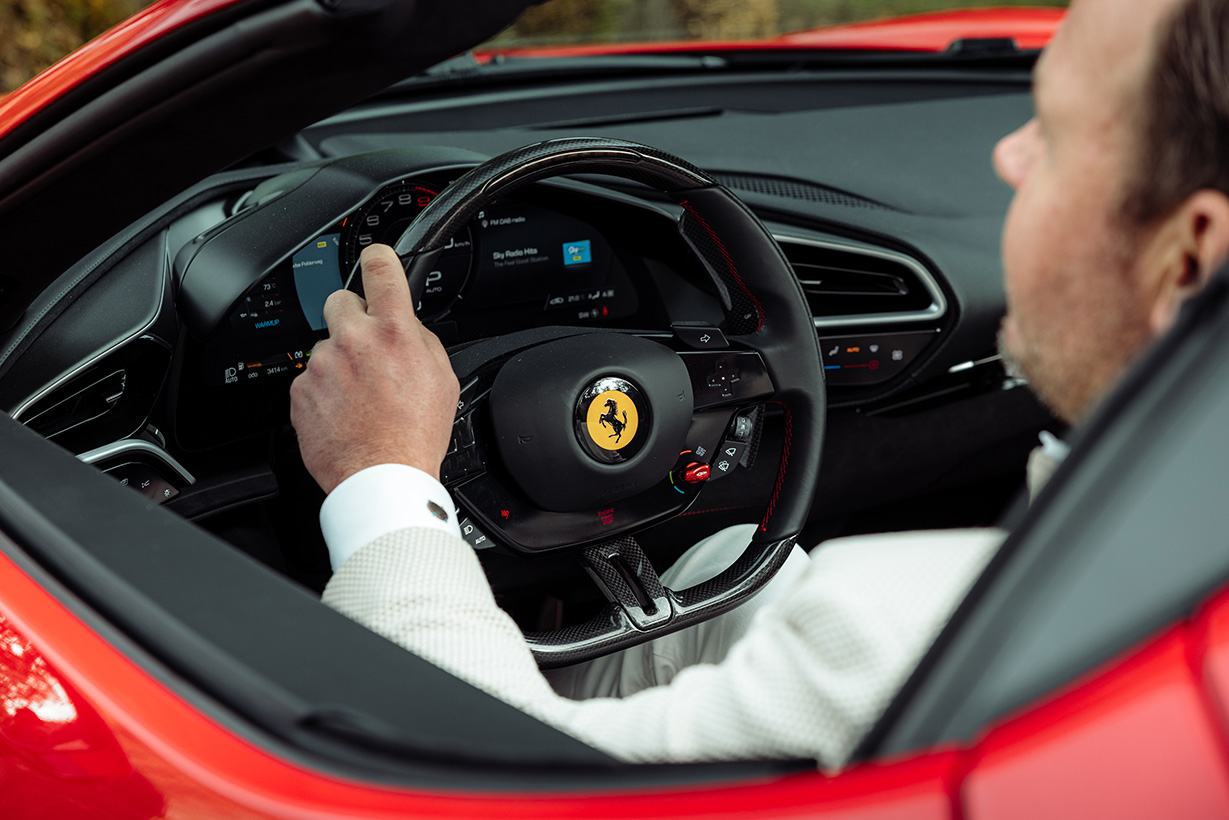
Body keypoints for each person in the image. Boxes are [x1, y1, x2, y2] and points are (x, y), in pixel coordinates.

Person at [289, 0, 1229, 768]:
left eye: (1051, 136)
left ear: (1188, 261)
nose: (1006, 156)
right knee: (726, 569)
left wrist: (383, 475)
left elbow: (489, 772)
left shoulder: (897, 635)